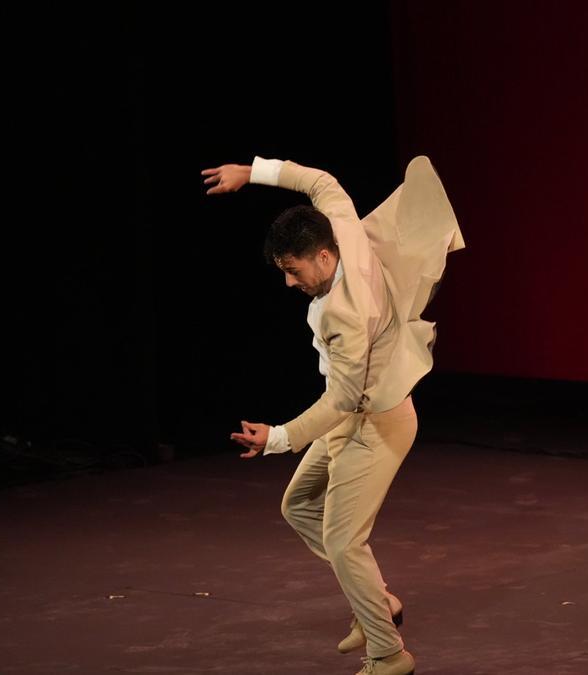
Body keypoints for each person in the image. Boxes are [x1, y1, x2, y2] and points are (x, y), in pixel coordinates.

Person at [203, 155, 464, 675]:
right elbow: (319, 181)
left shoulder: (347, 312)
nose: (289, 284)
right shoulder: (340, 226)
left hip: (375, 422)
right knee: (299, 506)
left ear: (323, 258)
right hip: (355, 414)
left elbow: (341, 400)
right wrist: (250, 173)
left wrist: (276, 437)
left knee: (345, 542)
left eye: (293, 271)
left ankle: (388, 653)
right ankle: (377, 601)